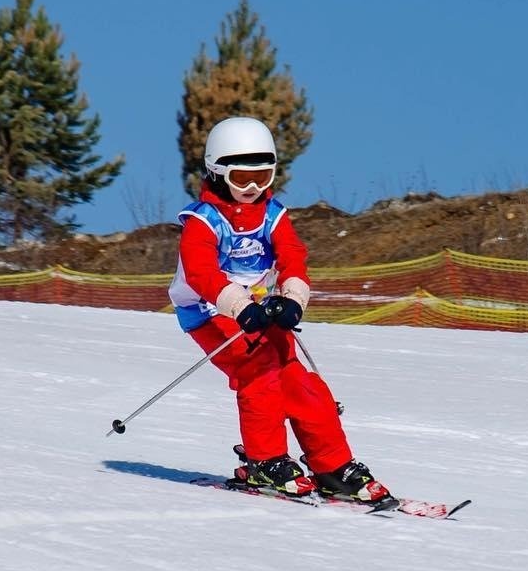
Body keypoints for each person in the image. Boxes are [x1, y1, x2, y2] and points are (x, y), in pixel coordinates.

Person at [167, 116, 391, 502]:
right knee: (260, 371)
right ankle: (265, 461)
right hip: (209, 311)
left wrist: (292, 298)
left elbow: (292, 255)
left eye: (264, 176)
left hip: (255, 309)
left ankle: (333, 465)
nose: (253, 188)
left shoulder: (273, 215)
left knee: (300, 382)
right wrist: (237, 305)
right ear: (217, 173)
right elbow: (201, 272)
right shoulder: (203, 222)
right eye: (241, 179)